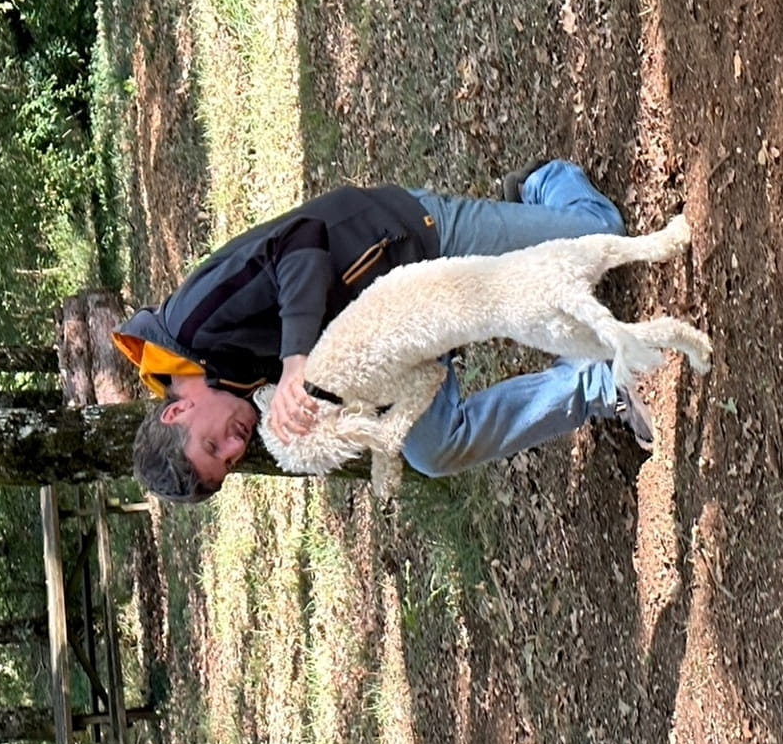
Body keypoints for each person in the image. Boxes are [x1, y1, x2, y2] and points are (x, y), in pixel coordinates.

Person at [112, 160, 655, 502]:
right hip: (397, 333)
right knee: (433, 450)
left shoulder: (192, 321)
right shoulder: (229, 391)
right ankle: (598, 385)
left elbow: (299, 242)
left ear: (177, 412)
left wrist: (295, 360)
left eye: (214, 443)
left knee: (601, 235)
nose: (237, 443)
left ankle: (543, 182)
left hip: (408, 243)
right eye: (229, 460)